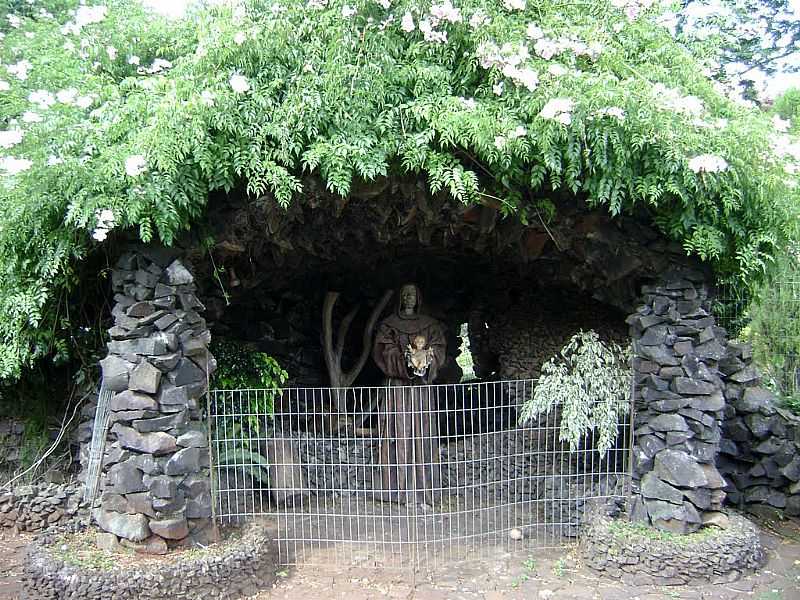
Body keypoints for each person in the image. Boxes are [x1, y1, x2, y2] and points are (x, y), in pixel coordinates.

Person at [372, 283, 446, 505]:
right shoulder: (389, 325)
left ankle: (423, 488)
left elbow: (439, 348)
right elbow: (383, 350)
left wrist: (426, 361)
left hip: (421, 389)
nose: (409, 297)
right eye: (405, 294)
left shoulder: (430, 325)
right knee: (397, 430)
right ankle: (395, 489)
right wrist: (404, 362)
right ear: (400, 298)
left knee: (422, 432)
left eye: (413, 294)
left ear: (419, 297)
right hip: (397, 388)